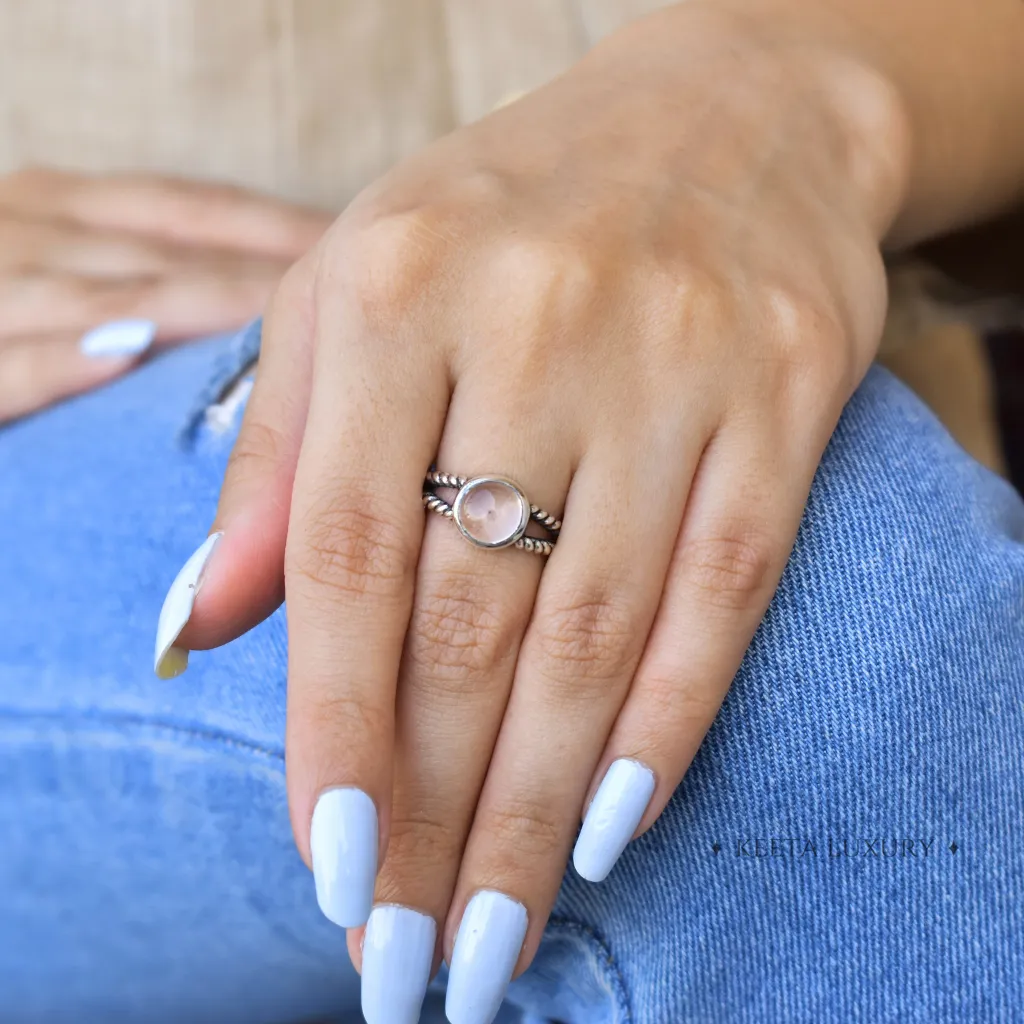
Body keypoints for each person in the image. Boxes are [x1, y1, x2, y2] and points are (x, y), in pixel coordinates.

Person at [1, 1, 1022, 1021]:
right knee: (829, 639)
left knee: (825, 606)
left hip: (798, 331)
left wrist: (801, 90)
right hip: (90, 400)